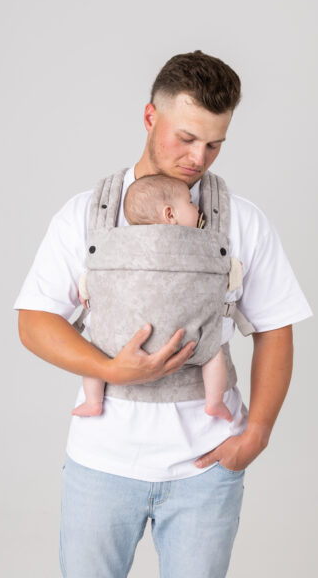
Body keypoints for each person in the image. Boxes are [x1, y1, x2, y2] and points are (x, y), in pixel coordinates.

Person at [13, 50, 313, 577]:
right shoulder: (84, 215)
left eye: (215, 144)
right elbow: (34, 322)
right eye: (187, 137)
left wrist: (257, 433)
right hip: (101, 462)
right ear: (151, 116)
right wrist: (112, 370)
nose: (199, 157)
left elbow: (275, 328)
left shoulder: (241, 221)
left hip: (206, 468)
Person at [71, 173, 235, 422]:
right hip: (188, 341)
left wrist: (85, 292)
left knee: (95, 356)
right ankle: (215, 402)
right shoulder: (198, 245)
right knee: (213, 354)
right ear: (170, 214)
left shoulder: (118, 245)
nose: (198, 209)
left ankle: (93, 401)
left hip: (118, 343)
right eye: (190, 203)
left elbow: (95, 279)